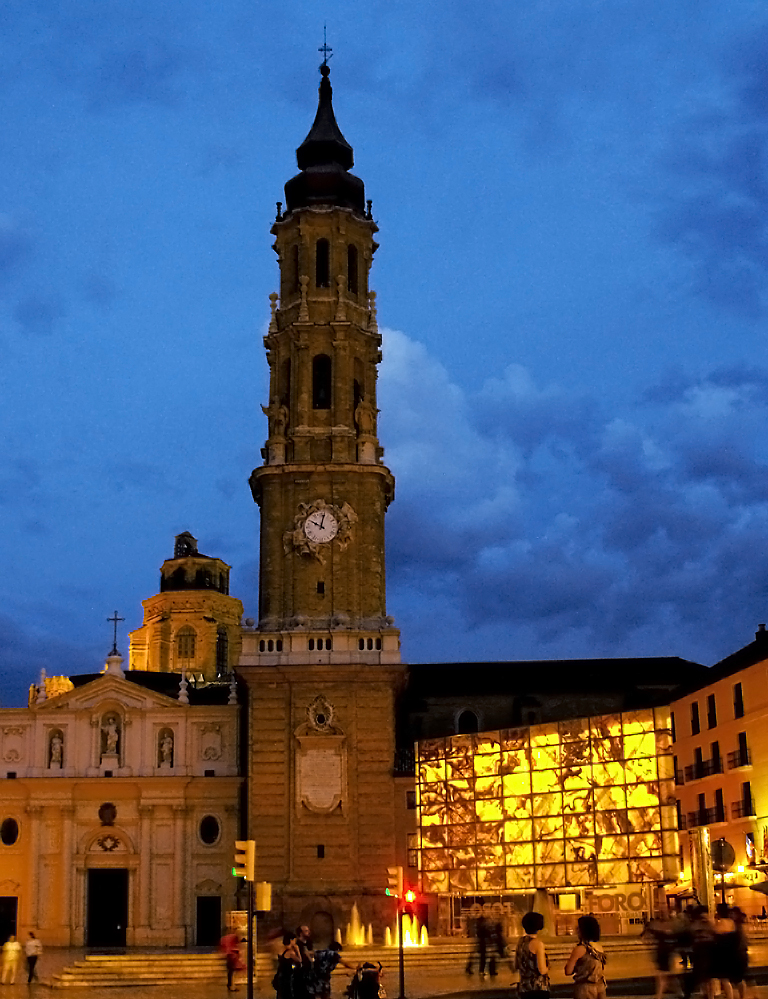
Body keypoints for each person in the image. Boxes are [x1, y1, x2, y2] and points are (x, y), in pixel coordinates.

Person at [564, 915, 607, 999]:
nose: (577, 930)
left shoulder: (580, 949)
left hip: (584, 989)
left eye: (578, 928)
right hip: (600, 987)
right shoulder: (599, 948)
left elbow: (568, 971)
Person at [515, 911, 550, 999]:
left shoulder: (521, 942)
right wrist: (548, 968)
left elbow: (516, 964)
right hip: (537, 988)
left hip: (524, 987)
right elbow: (541, 970)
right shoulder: (538, 944)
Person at [644, 909, 677, 999]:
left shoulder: (658, 928)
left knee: (663, 975)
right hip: (664, 952)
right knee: (665, 974)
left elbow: (647, 937)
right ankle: (665, 993)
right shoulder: (668, 928)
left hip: (663, 952)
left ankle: (660, 995)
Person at [273, 932, 302, 999]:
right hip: (287, 977)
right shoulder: (291, 952)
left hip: (281, 976)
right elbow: (299, 960)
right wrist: (297, 950)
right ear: (291, 940)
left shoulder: (282, 949)